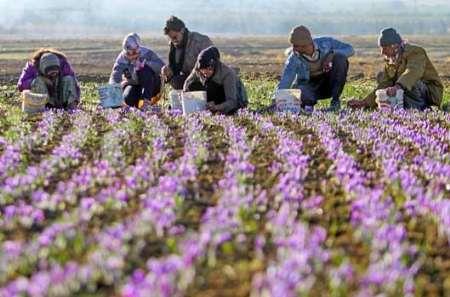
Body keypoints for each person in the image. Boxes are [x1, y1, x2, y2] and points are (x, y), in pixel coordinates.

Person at [348, 28, 443, 110]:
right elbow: (385, 84)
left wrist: (397, 87)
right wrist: (364, 103)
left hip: (429, 92)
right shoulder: (391, 60)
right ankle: (402, 108)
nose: (382, 52)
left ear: (394, 46)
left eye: (384, 48)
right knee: (381, 77)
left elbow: (413, 72)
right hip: (407, 91)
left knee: (411, 82)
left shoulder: (416, 52)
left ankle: (422, 108)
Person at [277, 25, 354, 112]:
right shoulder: (294, 58)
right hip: (308, 86)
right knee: (301, 92)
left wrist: (332, 54)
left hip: (329, 83)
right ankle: (308, 107)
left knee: (340, 58)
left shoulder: (326, 43)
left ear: (304, 45)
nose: (293, 49)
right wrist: (277, 100)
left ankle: (335, 102)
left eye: (296, 46)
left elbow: (350, 49)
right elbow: (286, 79)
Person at [183, 46, 247, 115]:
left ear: (214, 66)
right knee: (192, 85)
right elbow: (188, 81)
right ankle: (205, 108)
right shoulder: (199, 67)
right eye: (203, 70)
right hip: (214, 92)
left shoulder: (227, 74)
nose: (205, 73)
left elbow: (232, 102)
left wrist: (217, 107)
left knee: (211, 86)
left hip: (234, 100)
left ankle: (216, 111)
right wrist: (184, 95)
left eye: (209, 69)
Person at [110, 33, 164, 108]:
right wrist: (118, 86)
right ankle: (138, 107)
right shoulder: (121, 60)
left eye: (135, 52)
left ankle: (146, 103)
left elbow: (162, 66)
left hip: (153, 85)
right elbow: (114, 79)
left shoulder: (147, 53)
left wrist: (147, 64)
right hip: (135, 85)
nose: (132, 56)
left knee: (144, 70)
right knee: (128, 97)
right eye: (129, 53)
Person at [161, 16, 213, 90]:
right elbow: (175, 67)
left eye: (175, 37)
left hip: (206, 78)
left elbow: (212, 64)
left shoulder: (200, 41)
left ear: (182, 30)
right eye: (171, 38)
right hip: (189, 79)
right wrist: (168, 70)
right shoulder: (174, 46)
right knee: (175, 82)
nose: (173, 41)